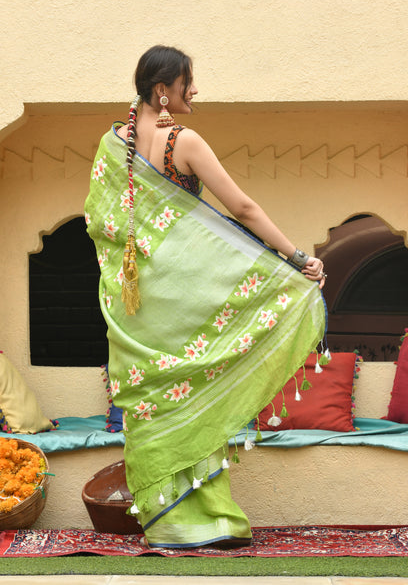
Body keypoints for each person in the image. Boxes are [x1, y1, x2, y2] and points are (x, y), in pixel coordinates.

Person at [85, 45, 326, 549]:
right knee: (192, 390)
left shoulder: (115, 144)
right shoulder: (183, 141)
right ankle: (207, 521)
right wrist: (297, 259)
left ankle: (168, 523)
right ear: (162, 90)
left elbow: (101, 225)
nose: (193, 91)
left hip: (137, 305)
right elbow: (241, 207)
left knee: (156, 399)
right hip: (182, 300)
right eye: (187, 82)